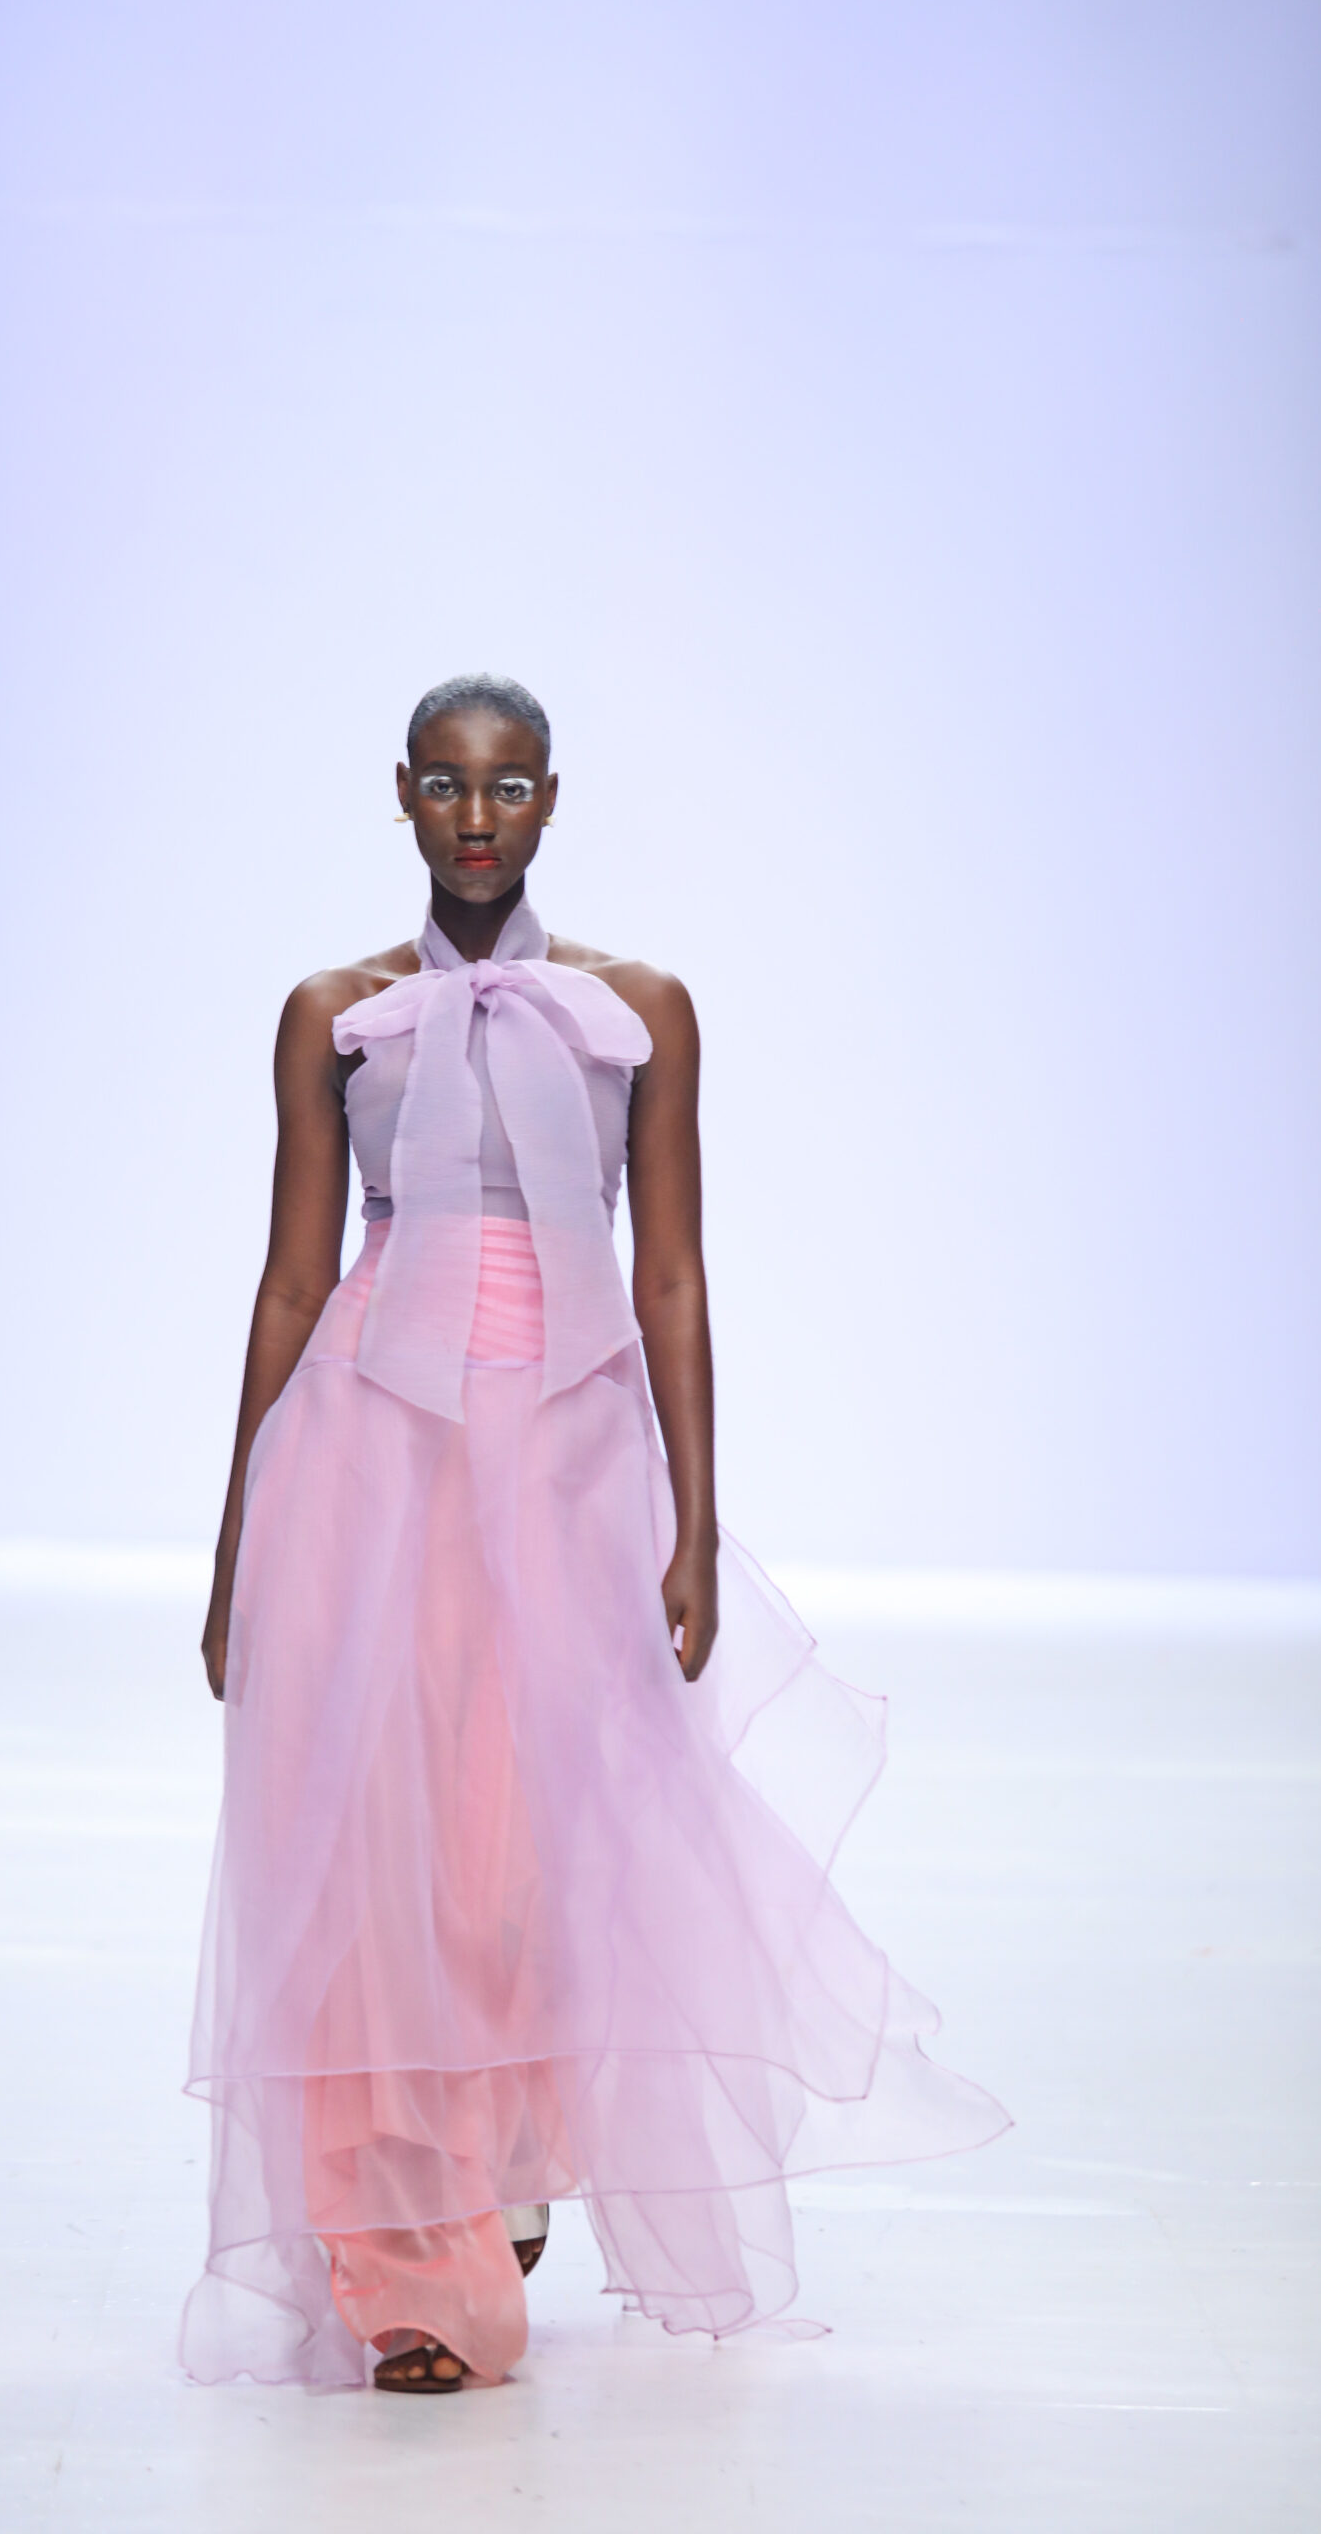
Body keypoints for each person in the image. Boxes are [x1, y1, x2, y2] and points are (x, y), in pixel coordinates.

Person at [183, 674, 1006, 2393]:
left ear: (552, 799)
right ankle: (414, 2270)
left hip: (563, 1453)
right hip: (368, 1454)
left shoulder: (638, 1012)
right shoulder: (333, 1013)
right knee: (375, 1842)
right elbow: (291, 1282)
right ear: (400, 795)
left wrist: (695, 1524)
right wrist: (234, 1542)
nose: (475, 816)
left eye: (508, 786)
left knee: (535, 1838)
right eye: (443, 784)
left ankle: (511, 2144)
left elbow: (673, 1276)